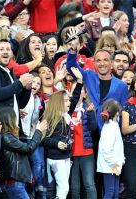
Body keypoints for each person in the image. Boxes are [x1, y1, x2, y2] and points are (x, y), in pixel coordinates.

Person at [67, 39, 128, 131]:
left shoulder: (121, 85)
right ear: (94, 63)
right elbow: (71, 67)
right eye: (98, 60)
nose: (102, 63)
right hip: (89, 129)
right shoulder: (89, 76)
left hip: (110, 131)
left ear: (111, 63)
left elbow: (123, 111)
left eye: (105, 60)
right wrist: (73, 49)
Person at [42, 67, 83, 199]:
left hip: (66, 156)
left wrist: (80, 80)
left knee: (63, 188)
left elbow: (76, 97)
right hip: (55, 157)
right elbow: (43, 138)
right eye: (65, 101)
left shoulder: (66, 115)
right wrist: (57, 143)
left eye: (68, 100)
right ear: (59, 103)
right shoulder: (51, 117)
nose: (69, 102)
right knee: (63, 188)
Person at [0, 39, 33, 128]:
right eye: (1, 49)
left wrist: (26, 90)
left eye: (8, 49)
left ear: (11, 53)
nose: (5, 52)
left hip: (11, 126)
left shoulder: (9, 72)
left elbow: (20, 103)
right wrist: (19, 83)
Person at [0, 107, 47, 199]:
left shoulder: (8, 137)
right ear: (9, 120)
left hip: (15, 183)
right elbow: (28, 148)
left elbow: (27, 151)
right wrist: (38, 131)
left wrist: (39, 134)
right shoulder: (6, 137)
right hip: (13, 184)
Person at [70, 84, 98, 199]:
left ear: (85, 94)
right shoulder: (67, 109)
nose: (78, 91)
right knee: (74, 187)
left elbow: (94, 128)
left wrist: (91, 113)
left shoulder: (88, 108)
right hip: (71, 154)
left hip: (86, 152)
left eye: (81, 89)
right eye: (75, 89)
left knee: (89, 185)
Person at [97, 99, 125, 199]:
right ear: (117, 112)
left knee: (115, 192)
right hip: (110, 166)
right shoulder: (110, 127)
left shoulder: (114, 125)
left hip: (115, 165)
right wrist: (114, 166)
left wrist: (119, 162)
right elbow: (107, 149)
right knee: (110, 192)